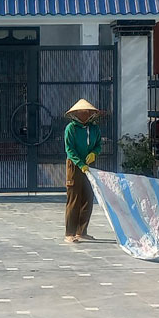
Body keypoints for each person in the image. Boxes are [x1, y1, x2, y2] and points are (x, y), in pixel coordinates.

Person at [63, 98, 102, 243]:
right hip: (74, 165)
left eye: (87, 112)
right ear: (76, 113)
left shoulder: (94, 128)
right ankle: (70, 233)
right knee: (74, 198)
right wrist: (80, 164)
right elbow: (69, 149)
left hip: (89, 164)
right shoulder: (71, 129)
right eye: (82, 112)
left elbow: (98, 144)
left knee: (88, 197)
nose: (85, 115)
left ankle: (82, 231)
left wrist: (94, 153)